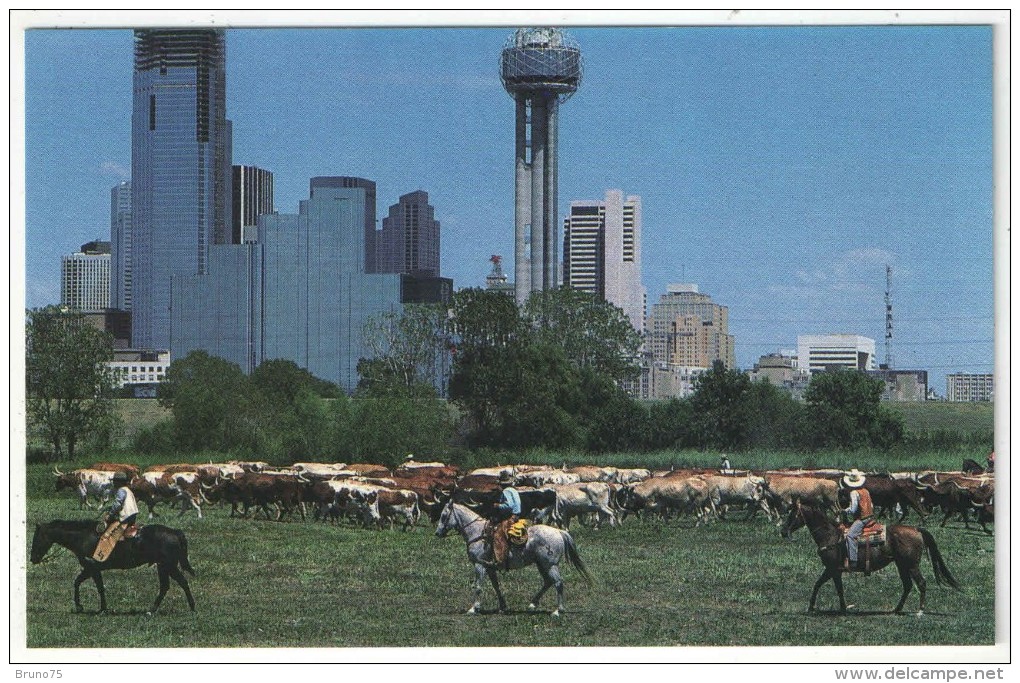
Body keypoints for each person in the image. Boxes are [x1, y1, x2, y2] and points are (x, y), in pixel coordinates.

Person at [92, 471, 139, 562]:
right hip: (132, 515)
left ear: (119, 482)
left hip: (126, 517)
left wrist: (110, 514)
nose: (113, 483)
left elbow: (118, 504)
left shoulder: (121, 490)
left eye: (115, 481)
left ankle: (101, 556)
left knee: (110, 534)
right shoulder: (127, 489)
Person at [486, 471, 521, 571]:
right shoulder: (514, 490)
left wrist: (498, 505)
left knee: (498, 535)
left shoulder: (506, 492)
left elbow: (509, 505)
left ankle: (500, 560)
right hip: (517, 515)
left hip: (511, 517)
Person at [839, 469, 873, 569]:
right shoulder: (866, 491)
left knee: (850, 535)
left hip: (863, 519)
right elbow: (871, 505)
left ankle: (853, 561)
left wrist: (844, 511)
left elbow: (853, 510)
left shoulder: (854, 493)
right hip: (870, 517)